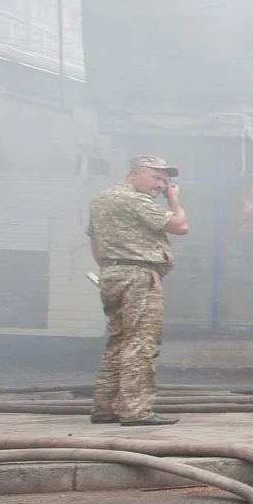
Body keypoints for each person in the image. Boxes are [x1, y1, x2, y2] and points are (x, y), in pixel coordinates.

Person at [86, 154, 190, 427]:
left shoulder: (100, 201)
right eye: (156, 178)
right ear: (134, 175)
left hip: (112, 273)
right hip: (139, 275)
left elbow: (96, 245)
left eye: (165, 182)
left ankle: (105, 407)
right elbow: (181, 226)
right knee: (141, 343)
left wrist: (113, 269)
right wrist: (174, 199)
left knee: (118, 341)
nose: (160, 186)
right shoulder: (135, 200)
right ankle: (136, 411)